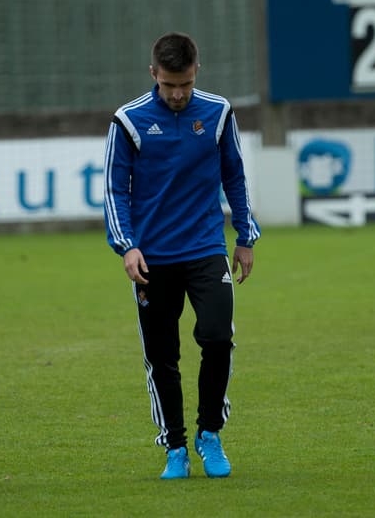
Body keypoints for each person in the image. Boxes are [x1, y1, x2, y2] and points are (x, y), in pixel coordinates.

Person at [103, 31, 261, 480]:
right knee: (162, 355)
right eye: (170, 84)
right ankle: (175, 445)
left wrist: (245, 235)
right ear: (153, 74)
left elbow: (236, 175)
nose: (178, 94)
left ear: (197, 73)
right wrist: (127, 245)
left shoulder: (217, 113)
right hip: (152, 258)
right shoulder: (128, 121)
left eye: (185, 85)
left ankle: (209, 432)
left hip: (206, 247)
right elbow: (115, 190)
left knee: (217, 336)